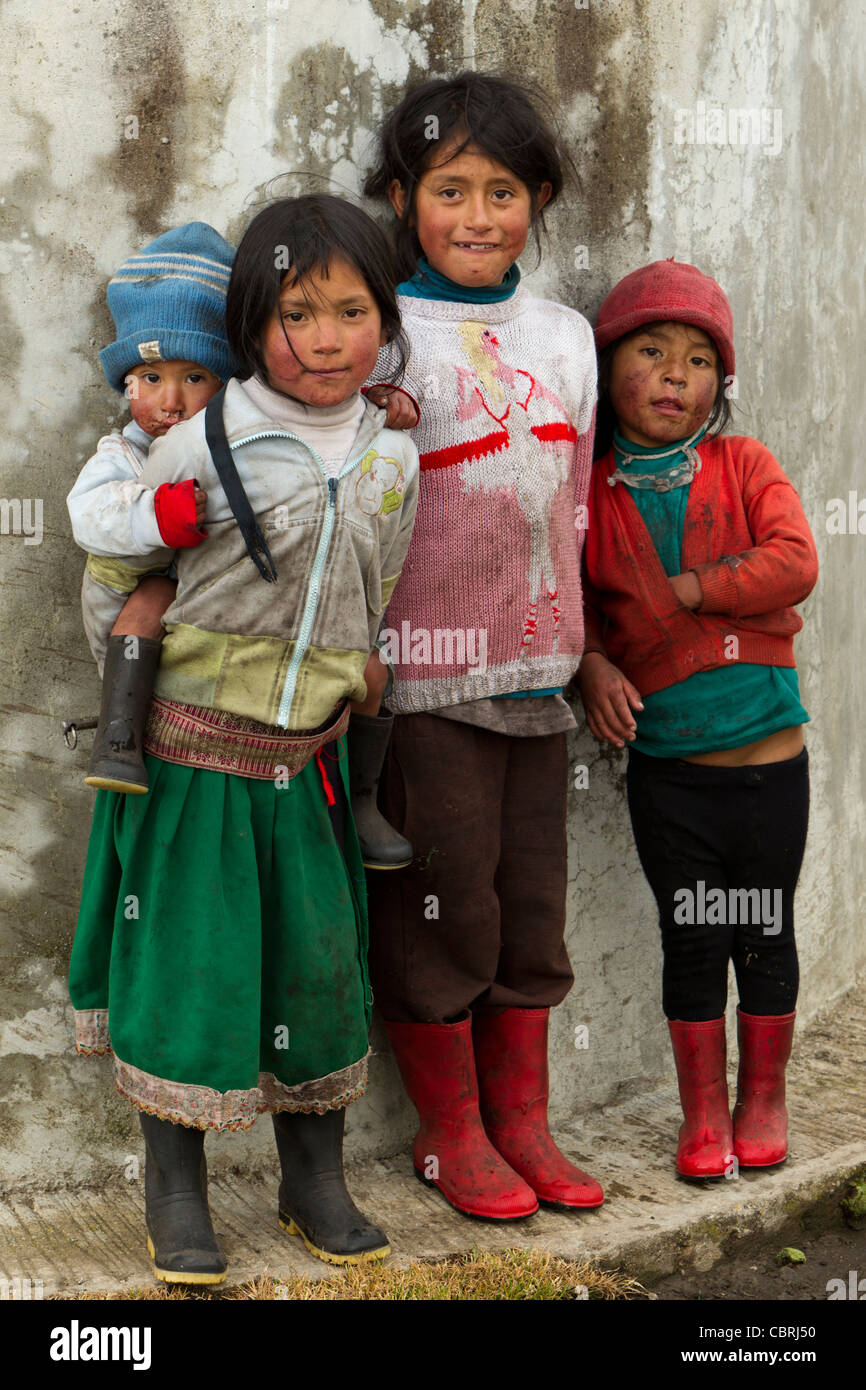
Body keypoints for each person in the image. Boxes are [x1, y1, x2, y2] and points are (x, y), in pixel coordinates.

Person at [67, 194, 420, 1282]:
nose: (324, 337)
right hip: (192, 769)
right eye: (297, 313)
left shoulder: (390, 454)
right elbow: (118, 572)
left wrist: (349, 668)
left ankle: (312, 1179)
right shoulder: (202, 444)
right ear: (252, 324)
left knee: (316, 977)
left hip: (304, 770)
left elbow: (384, 575)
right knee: (187, 974)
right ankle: (175, 1192)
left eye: (351, 310)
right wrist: (141, 677)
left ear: (384, 317)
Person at [362, 71, 604, 1220]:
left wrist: (588, 647)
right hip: (424, 685)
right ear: (402, 197)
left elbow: (575, 510)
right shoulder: (384, 335)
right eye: (446, 189)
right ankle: (449, 1135)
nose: (475, 215)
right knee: (441, 908)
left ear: (538, 198)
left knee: (529, 909)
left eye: (501, 190)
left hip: (540, 679)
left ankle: (523, 1123)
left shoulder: (562, 339)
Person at [578, 259, 818, 1178]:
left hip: (769, 768)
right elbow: (580, 608)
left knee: (764, 934)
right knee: (693, 939)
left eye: (697, 361)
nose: (675, 375)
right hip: (669, 778)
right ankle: (704, 1114)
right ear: (608, 369)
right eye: (651, 351)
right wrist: (594, 665)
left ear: (720, 385)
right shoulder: (592, 495)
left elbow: (794, 560)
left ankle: (765, 1096)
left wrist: (698, 588)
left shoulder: (743, 463)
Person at [66, 222, 236, 793]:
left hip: (201, 627)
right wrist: (154, 517)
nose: (171, 400)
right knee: (152, 595)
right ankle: (117, 740)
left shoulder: (232, 451)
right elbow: (87, 512)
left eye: (194, 377)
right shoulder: (123, 455)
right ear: (126, 385)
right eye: (150, 378)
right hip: (124, 616)